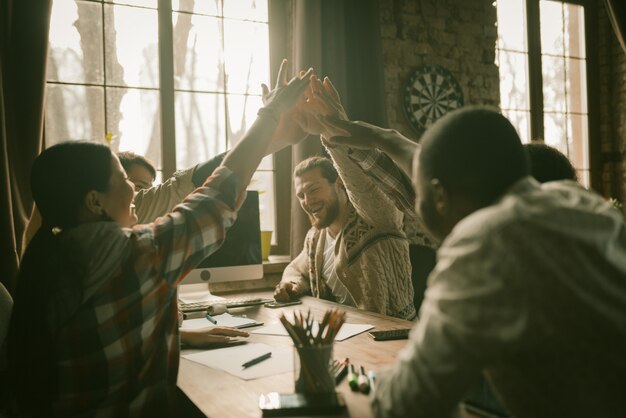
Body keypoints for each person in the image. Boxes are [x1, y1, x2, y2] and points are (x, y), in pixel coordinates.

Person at [6, 63, 312, 416]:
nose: (135, 193)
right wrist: (270, 113)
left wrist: (179, 337)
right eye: (125, 180)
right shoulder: (131, 255)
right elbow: (216, 196)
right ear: (95, 201)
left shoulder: (53, 256)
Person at [323, 107, 626, 418]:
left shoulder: (480, 243)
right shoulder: (583, 204)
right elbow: (426, 165)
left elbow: (408, 404)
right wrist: (381, 137)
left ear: (439, 194)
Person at [273, 76, 431, 320]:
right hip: (343, 339)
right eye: (301, 194)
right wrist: (291, 284)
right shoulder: (315, 237)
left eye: (314, 189)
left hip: (391, 337)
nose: (307, 200)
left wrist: (331, 131)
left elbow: (363, 187)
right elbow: (296, 270)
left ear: (338, 183)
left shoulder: (376, 218)